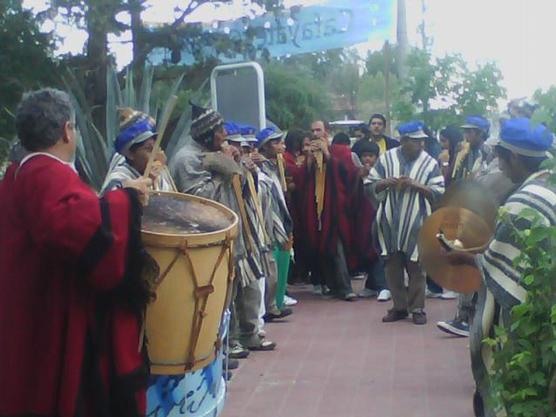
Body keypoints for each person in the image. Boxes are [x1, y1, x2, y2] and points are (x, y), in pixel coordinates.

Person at [0, 88, 151, 417]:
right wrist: (126, 199)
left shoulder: (21, 171)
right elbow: (79, 229)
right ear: (67, 130)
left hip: (33, 304)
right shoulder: (45, 173)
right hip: (53, 315)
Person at [443, 118, 554, 417]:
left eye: (501, 158)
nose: (499, 165)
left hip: (529, 318)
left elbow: (500, 268)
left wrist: (464, 256)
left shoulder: (525, 201)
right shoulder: (548, 185)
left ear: (515, 157)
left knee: (512, 385)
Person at [170, 103, 276, 356]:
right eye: (220, 130)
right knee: (223, 293)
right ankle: (226, 343)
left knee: (246, 284)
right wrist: (224, 171)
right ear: (207, 133)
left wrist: (241, 167)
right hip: (209, 237)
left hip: (235, 234)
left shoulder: (215, 151)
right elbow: (198, 200)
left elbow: (239, 184)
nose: (225, 134)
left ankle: (248, 334)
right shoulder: (187, 158)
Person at [366, 121, 445, 325]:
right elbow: (370, 184)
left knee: (417, 266)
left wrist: (417, 186)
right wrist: (385, 183)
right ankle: (399, 307)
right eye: (416, 141)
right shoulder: (387, 158)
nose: (421, 145)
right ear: (404, 141)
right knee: (392, 266)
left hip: (417, 221)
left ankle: (417, 308)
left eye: (421, 141)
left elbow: (439, 192)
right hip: (390, 220)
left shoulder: (430, 163)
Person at [437, 115, 493, 336]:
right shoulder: (465, 153)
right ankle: (464, 318)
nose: (467, 136)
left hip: (481, 216)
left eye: (472, 132)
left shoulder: (489, 154)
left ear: (481, 133)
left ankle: (466, 319)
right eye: (466, 132)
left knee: (470, 264)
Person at [299, 120, 357, 301]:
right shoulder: (307, 153)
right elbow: (303, 179)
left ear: (326, 132)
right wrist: (309, 159)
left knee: (336, 246)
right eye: (312, 130)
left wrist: (326, 154)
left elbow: (347, 173)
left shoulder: (338, 151)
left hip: (334, 209)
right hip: (315, 207)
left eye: (319, 130)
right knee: (320, 247)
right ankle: (331, 286)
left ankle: (346, 288)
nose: (315, 134)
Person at [253, 127, 295, 315]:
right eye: (277, 143)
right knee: (269, 268)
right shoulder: (259, 166)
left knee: (278, 267)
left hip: (279, 218)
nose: (282, 147)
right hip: (266, 222)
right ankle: (269, 307)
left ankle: (275, 303)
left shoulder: (276, 165)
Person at [101, 107, 175, 193]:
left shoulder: (158, 175)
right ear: (130, 154)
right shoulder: (119, 178)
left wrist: (154, 181)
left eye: (156, 147)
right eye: (148, 149)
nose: (155, 154)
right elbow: (112, 199)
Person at [352, 141, 391, 301]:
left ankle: (384, 286)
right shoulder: (357, 172)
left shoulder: (382, 172)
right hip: (362, 218)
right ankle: (371, 285)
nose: (368, 159)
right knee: (367, 251)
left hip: (379, 216)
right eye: (364, 156)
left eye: (371, 156)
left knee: (379, 251)